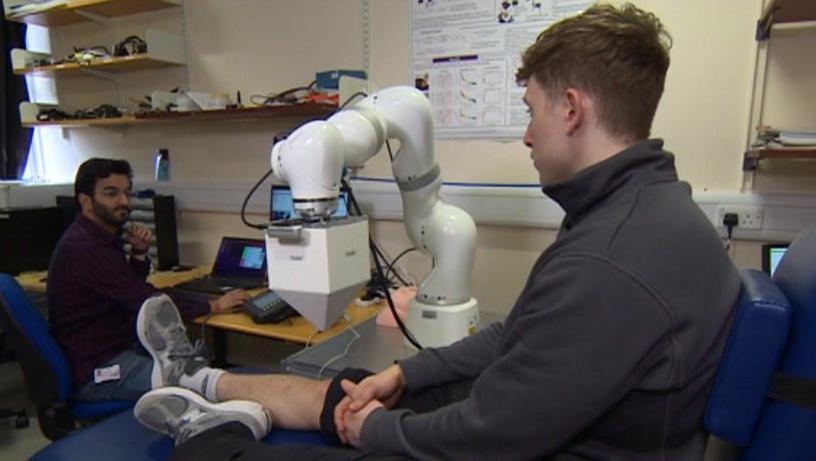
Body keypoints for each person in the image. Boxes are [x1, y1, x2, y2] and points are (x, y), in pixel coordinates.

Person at [132, 3, 740, 460]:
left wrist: (376, 431)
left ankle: (208, 430)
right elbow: (519, 333)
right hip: (542, 426)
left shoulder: (612, 258)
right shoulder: (639, 212)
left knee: (292, 437)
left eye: (531, 111)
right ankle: (201, 377)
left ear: (573, 109)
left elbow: (493, 436)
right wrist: (407, 374)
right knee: (356, 387)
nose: (527, 134)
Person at [48, 158, 249, 402]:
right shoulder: (84, 248)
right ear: (86, 202)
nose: (123, 201)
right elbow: (144, 298)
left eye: (127, 192)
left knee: (197, 371)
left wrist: (139, 253)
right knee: (195, 385)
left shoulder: (98, 238)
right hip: (97, 370)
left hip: (117, 349)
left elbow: (124, 288)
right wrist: (212, 305)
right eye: (111, 194)